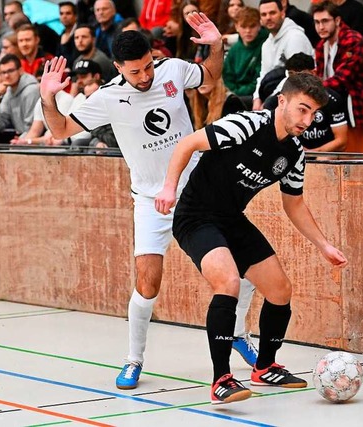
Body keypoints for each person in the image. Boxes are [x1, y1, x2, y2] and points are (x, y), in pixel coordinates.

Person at [38, 18, 228, 390]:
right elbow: (60, 130)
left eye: (149, 66)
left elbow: (208, 77)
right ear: (119, 69)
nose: (146, 76)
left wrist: (216, 47)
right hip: (149, 201)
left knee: (236, 268)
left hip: (197, 192)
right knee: (147, 284)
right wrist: (47, 97)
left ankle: (239, 336)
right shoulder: (107, 98)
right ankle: (133, 359)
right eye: (137, 71)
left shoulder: (172, 70)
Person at [156, 72, 348, 404]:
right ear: (283, 101)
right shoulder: (244, 126)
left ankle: (264, 367)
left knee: (279, 289)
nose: (308, 119)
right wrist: (169, 187)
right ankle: (221, 379)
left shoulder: (294, 154)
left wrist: (324, 244)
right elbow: (187, 143)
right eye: (302, 109)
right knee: (228, 282)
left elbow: (295, 203)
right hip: (195, 216)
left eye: (314, 113)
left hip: (231, 219)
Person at [313, 1, 363, 153]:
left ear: (337, 21)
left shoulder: (353, 40)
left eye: (325, 21)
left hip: (356, 104)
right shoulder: (322, 46)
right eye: (316, 22)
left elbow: (341, 80)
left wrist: (312, 88)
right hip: (334, 100)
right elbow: (320, 76)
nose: (321, 27)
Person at [264, 52, 348, 152]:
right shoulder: (276, 101)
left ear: (313, 73)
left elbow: (341, 140)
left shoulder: (332, 99)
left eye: (301, 75)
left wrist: (317, 152)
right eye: (291, 74)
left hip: (323, 155)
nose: (297, 81)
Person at [252, 0, 313, 110]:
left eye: (272, 13)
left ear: (283, 13)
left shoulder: (295, 37)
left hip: (297, 96)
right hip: (272, 94)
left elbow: (296, 77)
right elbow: (263, 74)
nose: (268, 17)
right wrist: (257, 98)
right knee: (234, 102)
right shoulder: (266, 44)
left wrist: (268, 102)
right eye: (264, 14)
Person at [0, 54, 40, 140]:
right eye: (3, 72)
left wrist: (18, 143)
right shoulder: (9, 91)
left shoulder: (31, 90)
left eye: (10, 71)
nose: (6, 76)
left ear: (20, 70)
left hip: (36, 140)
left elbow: (31, 129)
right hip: (21, 137)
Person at [222, 7, 268, 103]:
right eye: (243, 26)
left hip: (256, 95)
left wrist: (240, 91)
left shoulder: (266, 45)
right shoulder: (235, 49)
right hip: (234, 92)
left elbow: (260, 76)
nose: (248, 31)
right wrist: (235, 90)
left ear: (259, 26)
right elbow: (227, 75)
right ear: (236, 27)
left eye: (252, 26)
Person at [57, 1, 80, 67]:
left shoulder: (81, 33)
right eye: (61, 13)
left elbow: (72, 61)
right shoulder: (62, 33)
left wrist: (64, 45)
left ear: (75, 16)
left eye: (68, 13)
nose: (64, 16)